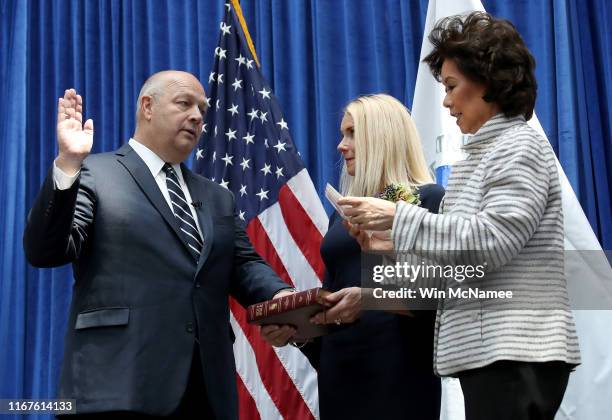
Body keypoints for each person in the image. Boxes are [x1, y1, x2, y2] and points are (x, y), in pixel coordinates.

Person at [335, 13, 581, 420]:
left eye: (451, 86)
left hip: (515, 353)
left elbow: (490, 242)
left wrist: (399, 219)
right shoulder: (482, 156)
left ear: (487, 81)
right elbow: (460, 275)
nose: (446, 101)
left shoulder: (519, 146)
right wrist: (391, 248)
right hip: (491, 357)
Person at [23, 70, 295, 419]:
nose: (197, 116)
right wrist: (68, 165)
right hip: (117, 386)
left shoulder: (218, 197)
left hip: (205, 393)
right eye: (185, 103)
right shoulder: (93, 173)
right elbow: (45, 251)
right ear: (147, 107)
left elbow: (243, 265)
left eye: (202, 109)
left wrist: (279, 297)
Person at [307, 94, 444, 419]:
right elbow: (334, 296)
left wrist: (368, 298)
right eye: (343, 134)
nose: (341, 145)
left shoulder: (428, 200)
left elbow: (438, 298)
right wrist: (300, 331)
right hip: (339, 371)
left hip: (399, 369)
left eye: (352, 133)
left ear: (382, 137)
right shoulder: (341, 214)